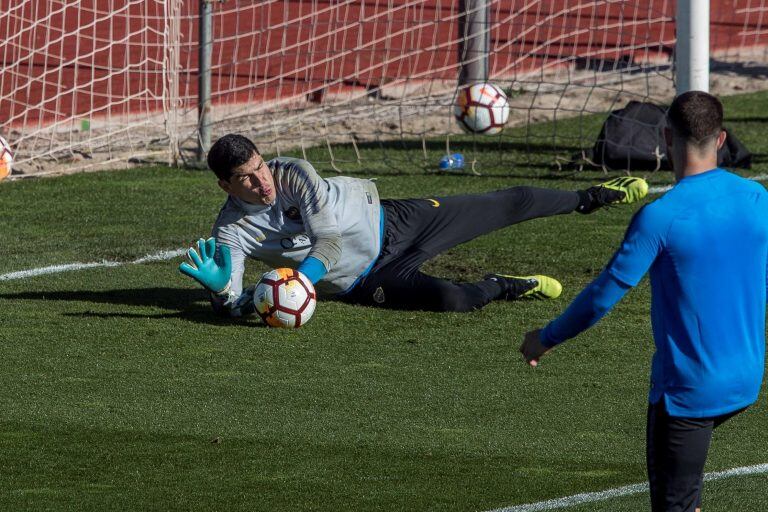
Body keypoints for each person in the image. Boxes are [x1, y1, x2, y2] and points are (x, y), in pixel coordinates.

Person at [520, 91, 768, 512]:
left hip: (688, 392)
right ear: (722, 139)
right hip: (746, 380)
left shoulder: (661, 217)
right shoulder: (758, 199)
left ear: (667, 140)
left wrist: (546, 337)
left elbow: (602, 296)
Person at [178, 133, 647, 316]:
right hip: (368, 282)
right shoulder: (230, 234)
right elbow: (239, 307)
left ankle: (591, 197)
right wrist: (222, 294)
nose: (262, 182)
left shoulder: (294, 172)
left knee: (508, 201)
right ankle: (504, 286)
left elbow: (331, 242)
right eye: (247, 178)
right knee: (451, 299)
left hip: (397, 221)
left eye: (261, 166)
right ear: (226, 186)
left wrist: (302, 281)